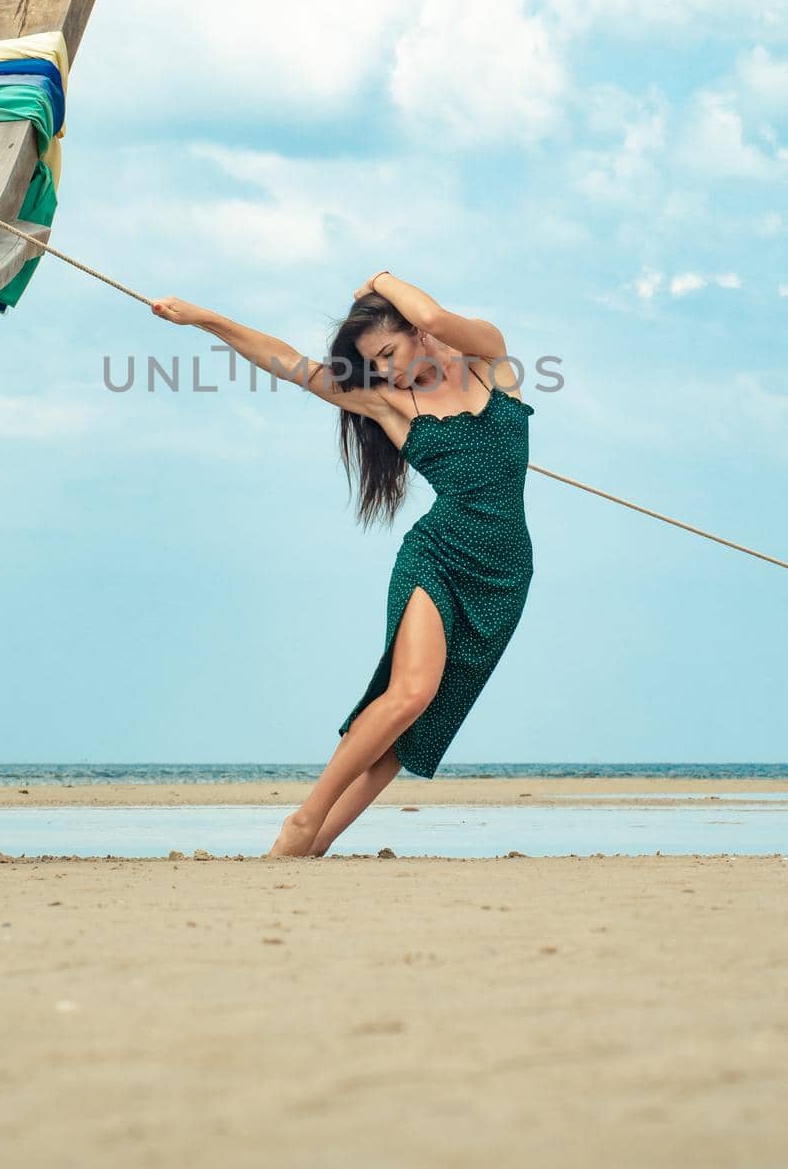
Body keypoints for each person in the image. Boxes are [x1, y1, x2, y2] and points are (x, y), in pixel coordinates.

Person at [150, 269, 535, 858]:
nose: (383, 369)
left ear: (413, 333)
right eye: (373, 363)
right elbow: (287, 362)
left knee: (412, 727)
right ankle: (303, 821)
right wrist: (205, 318)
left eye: (387, 351)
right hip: (439, 554)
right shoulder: (387, 404)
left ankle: (317, 843)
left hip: (506, 571)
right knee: (408, 695)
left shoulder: (490, 360)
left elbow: (434, 317)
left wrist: (381, 278)